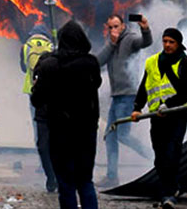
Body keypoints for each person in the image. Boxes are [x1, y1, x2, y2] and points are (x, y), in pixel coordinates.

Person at [31, 20, 101, 209]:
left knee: (66, 183)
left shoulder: (50, 65)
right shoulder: (91, 63)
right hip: (86, 133)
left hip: (60, 133)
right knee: (86, 181)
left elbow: (36, 100)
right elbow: (97, 83)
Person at [130, 27, 187, 209]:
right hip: (157, 117)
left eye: (171, 42)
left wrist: (169, 104)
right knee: (160, 155)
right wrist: (137, 108)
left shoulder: (185, 63)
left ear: (178, 44)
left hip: (177, 116)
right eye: (165, 41)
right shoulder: (152, 62)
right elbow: (144, 87)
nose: (168, 45)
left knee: (172, 153)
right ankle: (170, 188)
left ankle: (168, 193)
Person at [98, 14, 153, 187]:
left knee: (122, 135)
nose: (113, 30)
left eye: (116, 26)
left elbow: (145, 42)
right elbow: (98, 61)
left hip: (128, 94)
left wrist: (145, 28)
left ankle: (154, 157)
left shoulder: (130, 39)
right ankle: (112, 176)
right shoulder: (112, 43)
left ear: (122, 26)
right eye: (110, 27)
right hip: (117, 96)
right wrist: (111, 44)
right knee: (110, 136)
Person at [21, 24, 57, 192]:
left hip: (33, 91)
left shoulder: (26, 46)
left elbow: (23, 67)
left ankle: (42, 162)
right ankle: (53, 161)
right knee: (53, 128)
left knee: (39, 128)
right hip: (52, 93)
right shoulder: (52, 45)